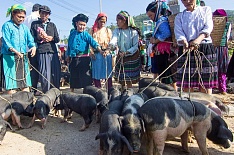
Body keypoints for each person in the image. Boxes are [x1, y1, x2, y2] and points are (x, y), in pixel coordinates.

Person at [174, 0, 218, 95]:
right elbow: (178, 32)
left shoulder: (206, 10)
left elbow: (208, 27)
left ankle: (206, 108)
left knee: (205, 84)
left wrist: (198, 40)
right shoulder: (179, 16)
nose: (188, 1)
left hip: (204, 49)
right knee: (186, 85)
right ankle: (190, 108)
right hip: (186, 49)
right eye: (184, 0)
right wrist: (184, 41)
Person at [1, 4, 36, 94]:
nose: (21, 19)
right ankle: (12, 104)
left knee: (24, 83)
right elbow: (6, 42)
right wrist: (15, 51)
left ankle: (26, 103)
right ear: (13, 15)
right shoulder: (7, 26)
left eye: (23, 17)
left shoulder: (24, 28)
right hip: (9, 57)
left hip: (22, 57)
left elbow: (30, 40)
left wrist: (33, 47)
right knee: (11, 85)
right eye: (19, 17)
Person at [66, 14, 104, 92]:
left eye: (84, 25)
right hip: (74, 59)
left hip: (84, 60)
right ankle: (71, 93)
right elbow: (69, 46)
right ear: (76, 24)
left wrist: (100, 50)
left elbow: (94, 43)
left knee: (85, 78)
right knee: (73, 77)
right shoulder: (72, 34)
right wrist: (68, 55)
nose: (82, 27)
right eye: (80, 24)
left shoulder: (86, 34)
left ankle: (87, 95)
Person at [146, 1, 178, 90]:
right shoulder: (161, 21)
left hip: (166, 55)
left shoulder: (162, 21)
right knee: (166, 79)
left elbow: (166, 33)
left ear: (157, 11)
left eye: (151, 15)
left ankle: (174, 96)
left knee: (169, 79)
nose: (151, 18)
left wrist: (155, 40)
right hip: (164, 54)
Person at [30, 5, 61, 93]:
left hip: (52, 50)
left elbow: (57, 38)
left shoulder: (52, 25)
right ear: (39, 14)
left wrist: (51, 38)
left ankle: (56, 93)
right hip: (42, 51)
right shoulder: (35, 24)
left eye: (46, 14)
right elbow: (31, 38)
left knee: (55, 73)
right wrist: (39, 38)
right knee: (44, 74)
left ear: (49, 15)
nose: (44, 15)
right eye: (42, 13)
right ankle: (46, 93)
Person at [107, 10, 141, 89]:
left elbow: (135, 46)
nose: (117, 22)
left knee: (129, 79)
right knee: (121, 78)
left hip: (131, 56)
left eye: (118, 20)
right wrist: (110, 47)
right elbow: (114, 40)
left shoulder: (134, 32)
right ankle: (122, 91)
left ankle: (130, 91)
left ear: (124, 20)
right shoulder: (117, 31)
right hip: (121, 55)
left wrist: (127, 52)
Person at [90, 13, 113, 90]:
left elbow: (111, 42)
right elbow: (90, 42)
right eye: (101, 21)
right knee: (97, 73)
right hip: (96, 54)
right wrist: (91, 52)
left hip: (106, 53)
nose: (103, 23)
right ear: (98, 21)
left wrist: (108, 50)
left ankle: (109, 90)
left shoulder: (108, 31)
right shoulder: (93, 30)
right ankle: (98, 90)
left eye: (104, 21)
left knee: (108, 72)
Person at [214, 9, 232, 95]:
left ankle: (214, 86)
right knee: (222, 69)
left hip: (213, 48)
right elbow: (227, 37)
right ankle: (222, 88)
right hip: (223, 48)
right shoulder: (228, 24)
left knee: (213, 67)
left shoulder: (212, 23)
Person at [25, 3, 41, 95]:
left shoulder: (25, 18)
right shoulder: (36, 19)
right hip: (34, 47)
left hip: (25, 48)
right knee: (35, 69)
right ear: (39, 11)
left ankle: (26, 88)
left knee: (27, 69)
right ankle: (34, 89)